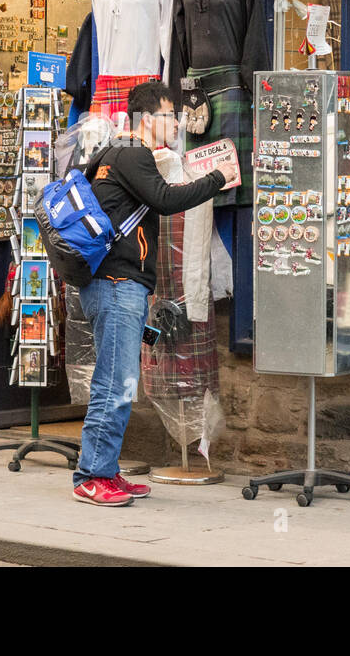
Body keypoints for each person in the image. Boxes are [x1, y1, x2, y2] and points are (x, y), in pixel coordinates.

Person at [72, 80, 237, 507]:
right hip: (116, 286)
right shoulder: (133, 154)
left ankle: (104, 470)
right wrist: (218, 178)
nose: (177, 124)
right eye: (170, 116)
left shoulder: (110, 154)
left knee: (120, 382)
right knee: (114, 384)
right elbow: (166, 199)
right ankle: (90, 476)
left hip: (113, 285)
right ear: (149, 120)